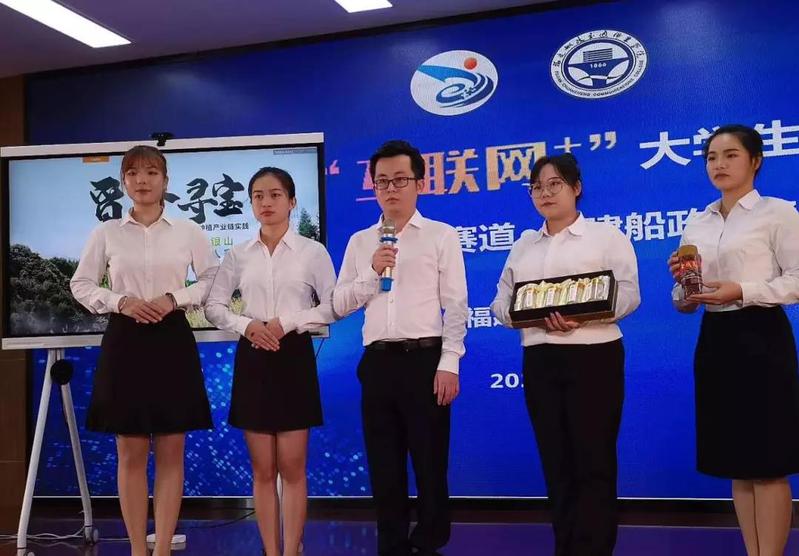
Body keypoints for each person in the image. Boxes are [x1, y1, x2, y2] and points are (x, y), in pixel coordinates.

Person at [70, 145, 218, 556]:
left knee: (171, 449)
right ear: (123, 182)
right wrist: (120, 301)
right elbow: (81, 284)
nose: (142, 180)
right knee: (131, 451)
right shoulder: (106, 232)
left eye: (151, 172)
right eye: (133, 172)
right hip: (126, 340)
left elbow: (212, 279)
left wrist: (174, 298)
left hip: (171, 338)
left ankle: (163, 547)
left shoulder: (188, 231)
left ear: (165, 181)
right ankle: (138, 548)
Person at [491, 153, 640, 556]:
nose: (545, 193)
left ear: (576, 188)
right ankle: (566, 546)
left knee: (594, 461)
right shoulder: (523, 245)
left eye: (555, 184)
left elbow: (629, 293)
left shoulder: (606, 237)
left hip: (595, 356)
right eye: (537, 186)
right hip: (540, 359)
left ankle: (595, 548)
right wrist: (530, 316)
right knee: (556, 462)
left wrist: (584, 315)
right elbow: (500, 303)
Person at [668, 124, 799, 556]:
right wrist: (684, 290)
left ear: (755, 161)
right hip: (716, 339)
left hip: (762, 337)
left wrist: (741, 290)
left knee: (769, 462)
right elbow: (684, 301)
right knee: (738, 462)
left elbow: (797, 280)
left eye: (730, 155)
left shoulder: (778, 213)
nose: (719, 164)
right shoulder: (697, 222)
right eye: (711, 157)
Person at [333, 140, 468, 556]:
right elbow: (340, 303)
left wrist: (449, 362)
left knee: (430, 461)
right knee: (384, 464)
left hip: (425, 360)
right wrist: (372, 271)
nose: (390, 189)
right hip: (377, 363)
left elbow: (456, 304)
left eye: (400, 180)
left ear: (419, 184)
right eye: (382, 182)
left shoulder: (441, 236)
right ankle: (390, 544)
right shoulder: (361, 242)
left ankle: (429, 542)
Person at [205, 167, 336, 556]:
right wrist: (246, 325)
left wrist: (287, 322)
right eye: (258, 196)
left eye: (275, 195)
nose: (266, 202)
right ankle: (271, 550)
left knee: (293, 466)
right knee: (263, 469)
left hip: (293, 355)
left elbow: (333, 305)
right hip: (254, 356)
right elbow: (214, 306)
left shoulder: (312, 251)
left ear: (292, 202)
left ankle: (292, 549)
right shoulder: (238, 254)